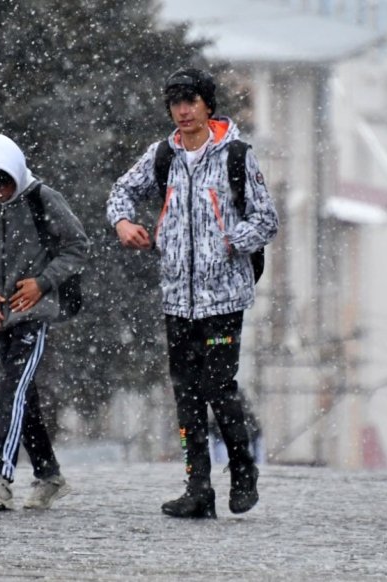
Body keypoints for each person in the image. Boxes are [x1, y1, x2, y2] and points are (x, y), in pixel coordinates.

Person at [106, 68, 278, 518]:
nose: (183, 111)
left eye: (191, 101)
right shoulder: (162, 155)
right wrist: (124, 223)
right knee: (185, 395)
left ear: (208, 105)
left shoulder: (237, 156)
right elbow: (121, 191)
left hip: (224, 300)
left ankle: (243, 470)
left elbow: (267, 220)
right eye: (175, 102)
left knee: (218, 388)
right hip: (176, 300)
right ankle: (197, 487)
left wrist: (227, 241)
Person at [0, 134, 88, 511]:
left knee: (11, 392)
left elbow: (77, 245)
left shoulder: (42, 198)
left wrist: (43, 283)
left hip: (34, 314)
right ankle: (49, 475)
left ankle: (0, 476)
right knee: (23, 399)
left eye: (2, 184)